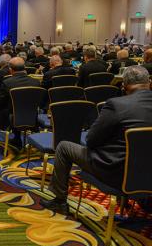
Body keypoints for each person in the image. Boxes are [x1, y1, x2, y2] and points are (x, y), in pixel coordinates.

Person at [41, 66, 152, 214]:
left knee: (63, 147)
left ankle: (60, 201)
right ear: (149, 82)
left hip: (117, 171)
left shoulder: (117, 105)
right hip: (147, 170)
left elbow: (91, 140)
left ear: (123, 85)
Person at [0, 57, 40, 148]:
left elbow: (1, 103)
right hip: (32, 116)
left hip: (12, 118)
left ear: (10, 70)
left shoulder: (7, 83)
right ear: (24, 68)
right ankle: (17, 138)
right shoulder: (36, 82)